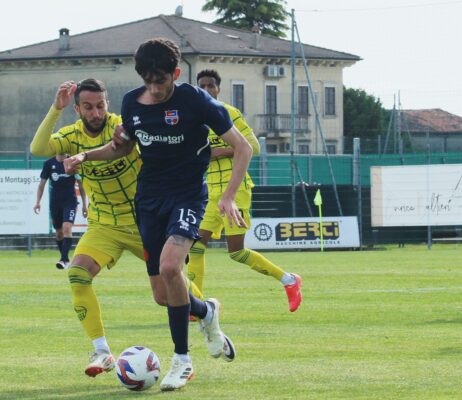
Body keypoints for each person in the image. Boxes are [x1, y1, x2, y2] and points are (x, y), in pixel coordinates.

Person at [64, 38, 251, 391]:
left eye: (161, 81)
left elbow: (243, 147)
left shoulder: (197, 101)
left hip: (188, 198)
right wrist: (85, 157)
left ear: (175, 74)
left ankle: (182, 360)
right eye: (148, 81)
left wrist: (227, 197)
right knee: (164, 295)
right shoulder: (132, 103)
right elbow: (120, 147)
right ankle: (206, 312)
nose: (154, 88)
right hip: (148, 203)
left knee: (170, 266)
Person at [30, 78, 207, 379]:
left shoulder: (123, 126)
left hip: (143, 218)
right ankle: (102, 351)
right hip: (104, 225)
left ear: (107, 105)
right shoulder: (71, 136)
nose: (96, 113)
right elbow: (37, 149)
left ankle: (206, 313)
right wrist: (55, 109)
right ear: (77, 109)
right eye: (88, 107)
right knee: (77, 274)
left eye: (100, 106)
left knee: (168, 290)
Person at [188, 69, 302, 312]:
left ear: (218, 89)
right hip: (209, 192)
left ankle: (289, 280)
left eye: (211, 85)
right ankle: (195, 306)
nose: (206, 90)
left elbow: (253, 146)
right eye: (202, 86)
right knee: (195, 247)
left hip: (236, 189)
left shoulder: (227, 113)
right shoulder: (194, 119)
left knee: (236, 252)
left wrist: (221, 151)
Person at [34, 154, 87, 270]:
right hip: (55, 203)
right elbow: (41, 185)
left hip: (70, 202)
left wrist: (84, 205)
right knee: (59, 233)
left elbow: (81, 186)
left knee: (67, 227)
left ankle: (63, 260)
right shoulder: (48, 164)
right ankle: (65, 258)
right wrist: (37, 202)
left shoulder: (73, 161)